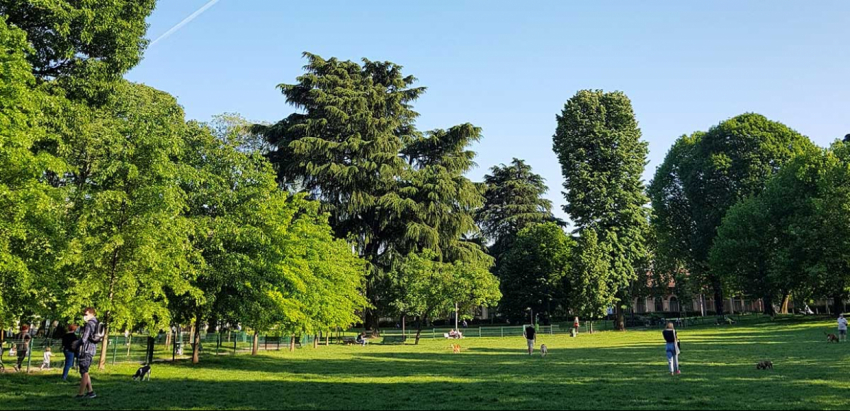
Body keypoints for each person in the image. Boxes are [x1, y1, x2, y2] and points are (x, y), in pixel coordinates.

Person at [76, 308, 99, 399]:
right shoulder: (97, 323)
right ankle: (90, 392)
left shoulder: (89, 324)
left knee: (84, 372)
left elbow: (84, 339)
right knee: (85, 371)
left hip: (86, 349)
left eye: (86, 314)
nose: (84, 316)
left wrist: (76, 344)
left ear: (91, 314)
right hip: (92, 349)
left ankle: (80, 394)